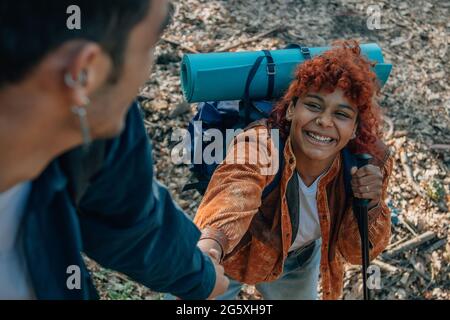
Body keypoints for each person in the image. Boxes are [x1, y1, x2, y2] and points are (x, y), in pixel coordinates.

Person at [0, 0, 228, 300]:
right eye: (148, 47)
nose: (147, 72)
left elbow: (129, 214)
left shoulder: (90, 132)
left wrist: (200, 275)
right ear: (83, 73)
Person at [194, 41, 394, 300]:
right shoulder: (259, 144)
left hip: (297, 259)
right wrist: (209, 247)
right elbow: (234, 189)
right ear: (290, 109)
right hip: (228, 254)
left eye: (342, 114)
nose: (324, 121)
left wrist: (371, 204)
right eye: (313, 105)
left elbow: (357, 253)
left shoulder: (367, 162)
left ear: (355, 128)